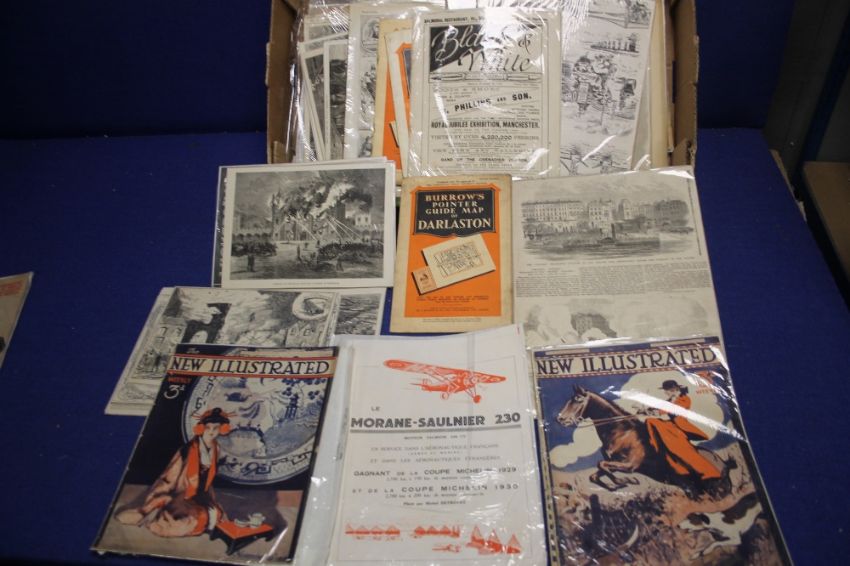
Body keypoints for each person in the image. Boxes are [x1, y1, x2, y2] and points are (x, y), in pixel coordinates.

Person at [116, 408, 231, 537]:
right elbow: (173, 472)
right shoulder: (189, 448)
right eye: (208, 427)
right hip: (181, 487)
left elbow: (209, 473)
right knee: (189, 516)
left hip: (200, 491)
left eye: (216, 428)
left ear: (222, 429)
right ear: (202, 428)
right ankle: (168, 519)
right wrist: (169, 489)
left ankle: (185, 519)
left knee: (212, 515)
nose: (211, 431)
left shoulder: (216, 448)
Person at [645, 380, 721, 480]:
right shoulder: (671, 399)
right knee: (650, 421)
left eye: (666, 391)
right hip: (671, 425)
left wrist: (658, 412)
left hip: (681, 427)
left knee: (681, 448)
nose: (665, 393)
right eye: (665, 391)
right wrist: (648, 409)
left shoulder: (684, 399)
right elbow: (661, 406)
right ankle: (656, 446)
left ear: (673, 390)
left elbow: (673, 409)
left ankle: (710, 472)